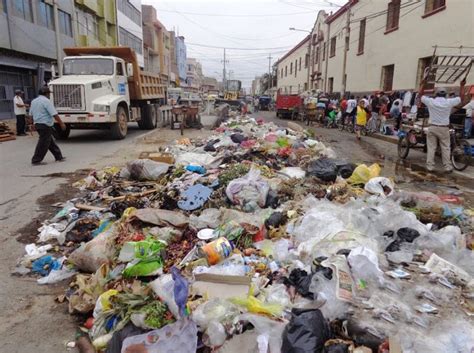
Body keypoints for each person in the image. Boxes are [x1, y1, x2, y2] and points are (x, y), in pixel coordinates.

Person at [421, 87, 461, 173]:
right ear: (446, 95)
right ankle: (447, 167)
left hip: (432, 127)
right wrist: (461, 86)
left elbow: (421, 96)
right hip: (444, 128)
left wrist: (422, 85)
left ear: (436, 94)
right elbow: (460, 99)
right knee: (446, 147)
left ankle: (430, 167)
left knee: (431, 148)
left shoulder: (431, 101)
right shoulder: (449, 102)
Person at [30, 86, 66, 165]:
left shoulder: (34, 101)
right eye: (49, 93)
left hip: (38, 124)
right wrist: (61, 123)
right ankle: (36, 160)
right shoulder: (46, 101)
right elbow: (54, 113)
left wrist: (31, 123)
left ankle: (58, 156)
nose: (49, 95)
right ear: (46, 93)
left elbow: (31, 114)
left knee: (49, 141)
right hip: (45, 124)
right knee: (43, 143)